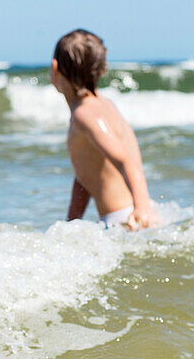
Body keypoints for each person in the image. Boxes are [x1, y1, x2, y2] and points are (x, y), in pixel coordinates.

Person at [51, 29, 158, 229]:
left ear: (54, 67)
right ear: (101, 69)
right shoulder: (104, 105)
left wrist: (142, 208)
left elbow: (125, 161)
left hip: (125, 220)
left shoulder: (85, 114)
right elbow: (85, 173)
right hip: (129, 214)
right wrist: (71, 224)